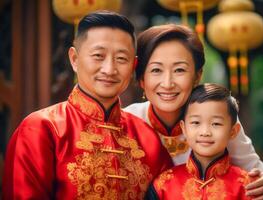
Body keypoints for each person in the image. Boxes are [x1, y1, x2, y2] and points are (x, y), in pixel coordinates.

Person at [2, 11, 173, 199]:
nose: (109, 69)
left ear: (133, 66)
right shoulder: (42, 129)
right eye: (98, 55)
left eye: (121, 59)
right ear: (74, 59)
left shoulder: (147, 137)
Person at [124, 24, 263, 199]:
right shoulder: (126, 122)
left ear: (197, 76)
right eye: (156, 70)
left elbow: (259, 176)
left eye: (179, 70)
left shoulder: (218, 119)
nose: (168, 83)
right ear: (141, 79)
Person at [145, 83, 259, 199]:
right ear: (183, 128)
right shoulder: (162, 185)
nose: (205, 132)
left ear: (233, 131)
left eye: (216, 124)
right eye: (196, 123)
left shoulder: (248, 186)